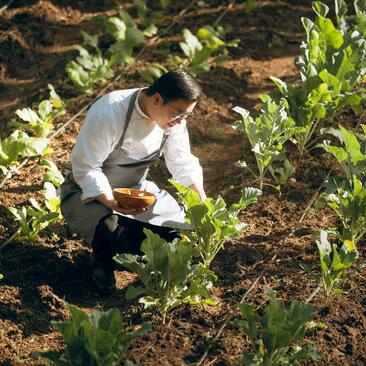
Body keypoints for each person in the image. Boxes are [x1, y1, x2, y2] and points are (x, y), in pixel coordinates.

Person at [60, 70, 206, 295]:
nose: (180, 122)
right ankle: (104, 266)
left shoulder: (173, 122)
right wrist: (110, 201)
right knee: (109, 226)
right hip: (87, 194)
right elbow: (86, 166)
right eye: (178, 114)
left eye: (186, 116)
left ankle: (138, 254)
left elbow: (182, 163)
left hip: (136, 192)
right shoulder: (109, 111)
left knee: (182, 232)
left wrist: (200, 202)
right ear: (157, 99)